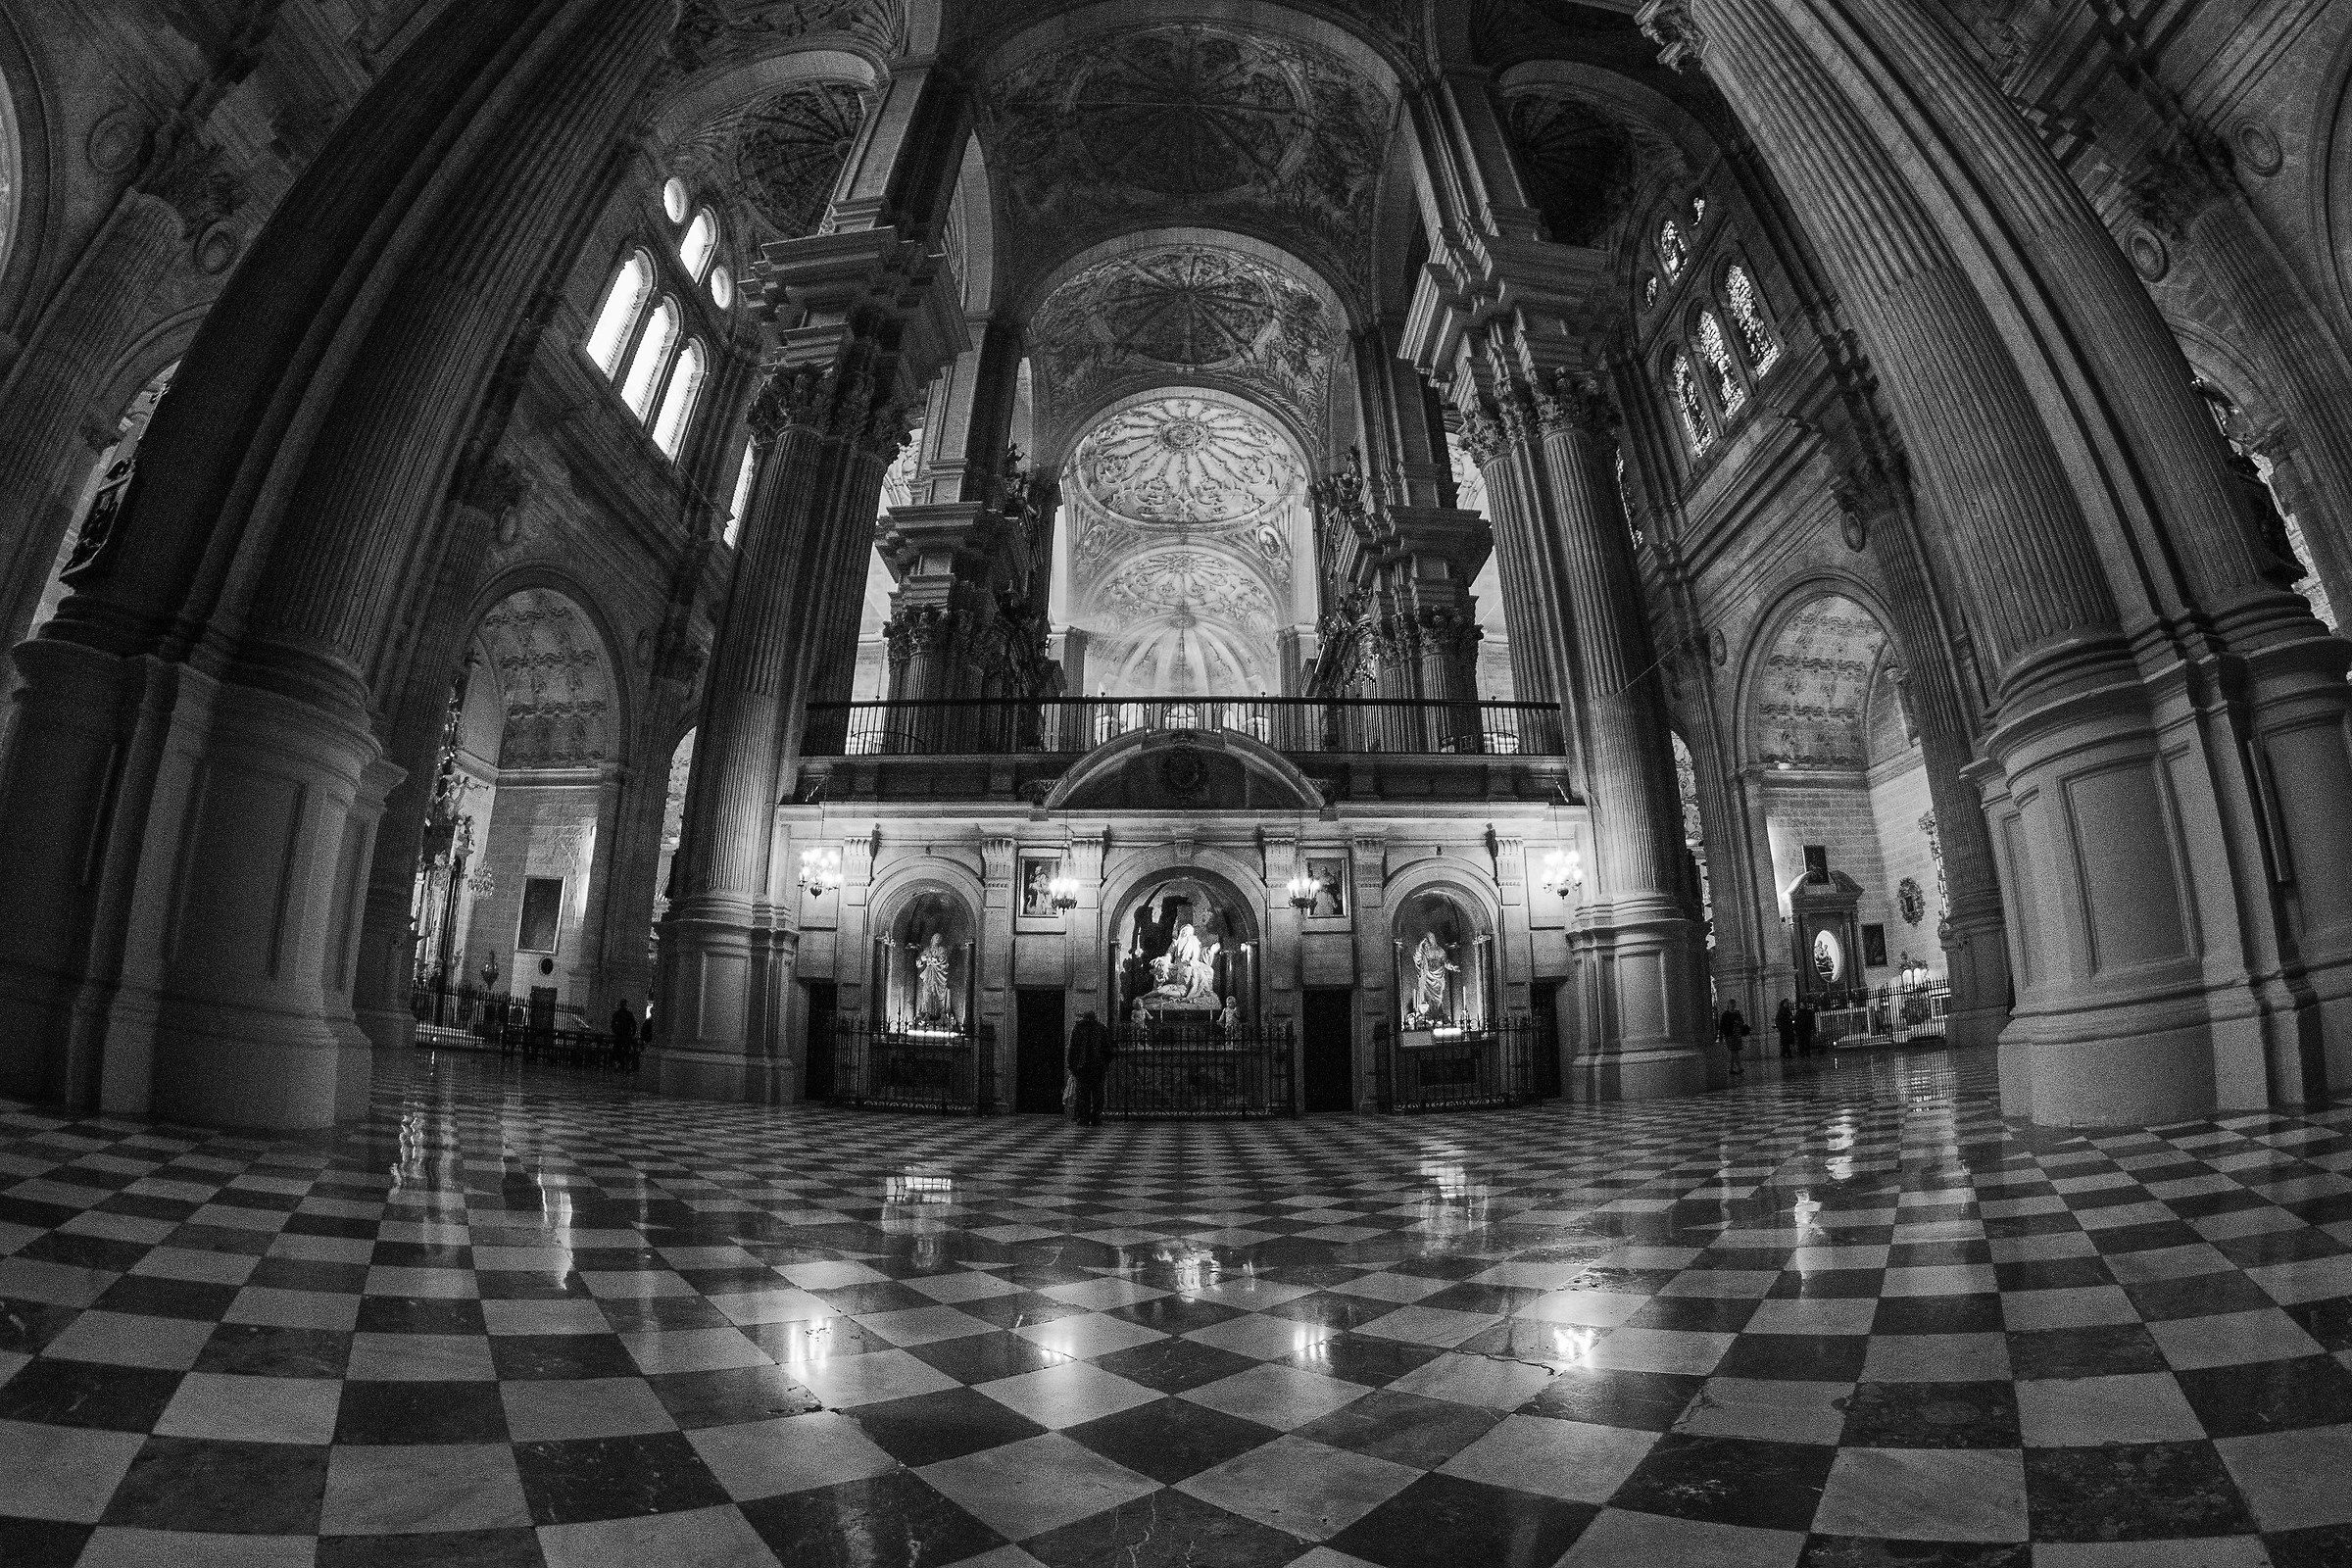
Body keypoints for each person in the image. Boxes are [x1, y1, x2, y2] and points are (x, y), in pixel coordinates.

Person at [1067, 1009, 1112, 1127]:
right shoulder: (1101, 1028)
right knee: (1097, 1094)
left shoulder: (1078, 1029)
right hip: (1096, 1067)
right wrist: (1105, 1064)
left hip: (1082, 1067)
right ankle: (1096, 1117)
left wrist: (1072, 1065)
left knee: (1083, 1094)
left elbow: (1073, 1048)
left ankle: (1084, 1118)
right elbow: (1107, 1049)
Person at [1717, 1004, 1747, 1078]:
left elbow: (1742, 1022)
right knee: (1734, 1051)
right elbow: (1722, 1025)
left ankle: (1731, 1068)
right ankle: (1739, 1067)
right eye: (1732, 1005)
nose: (1733, 1007)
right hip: (1730, 1035)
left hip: (1736, 1034)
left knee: (1734, 1051)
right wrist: (1721, 1035)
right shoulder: (1726, 1015)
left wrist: (1739, 1023)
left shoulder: (1737, 1014)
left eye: (1734, 1005)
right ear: (1729, 1006)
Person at [609, 999, 638, 1070]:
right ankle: (624, 1065)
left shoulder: (617, 1013)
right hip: (626, 1035)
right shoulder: (628, 1014)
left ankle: (618, 1064)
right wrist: (632, 1033)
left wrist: (615, 1031)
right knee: (626, 1051)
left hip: (619, 1035)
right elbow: (634, 1025)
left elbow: (613, 1024)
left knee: (617, 1050)